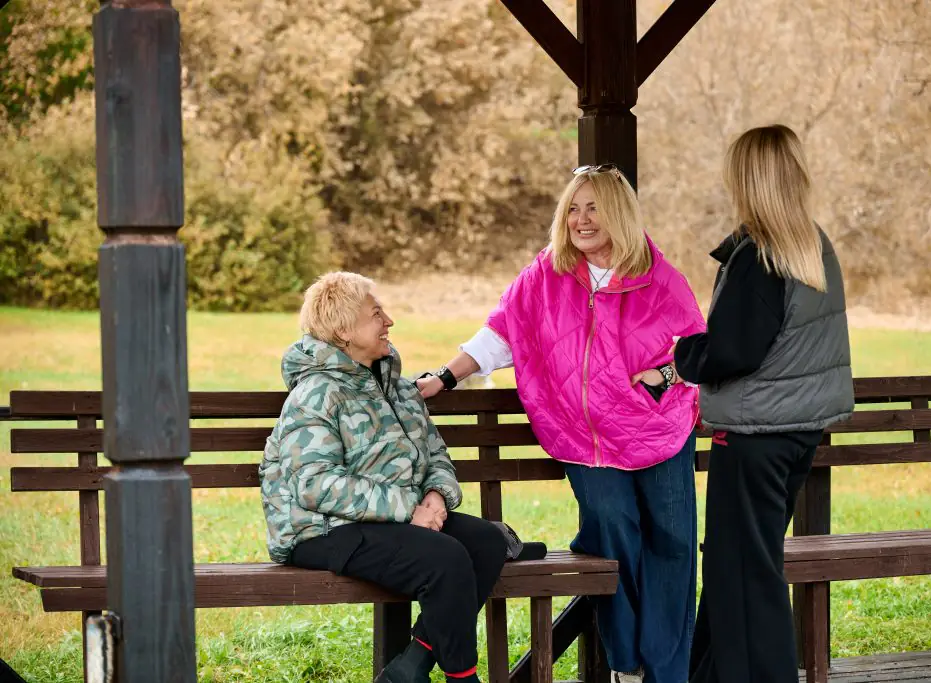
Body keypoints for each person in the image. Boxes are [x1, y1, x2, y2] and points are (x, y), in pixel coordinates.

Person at [417, 165, 706, 683]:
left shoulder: (660, 277)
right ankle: (627, 665)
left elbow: (698, 351)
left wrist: (663, 375)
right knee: (613, 533)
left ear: (619, 213)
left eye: (593, 207)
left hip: (658, 430)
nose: (581, 219)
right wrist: (446, 376)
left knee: (672, 545)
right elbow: (501, 333)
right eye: (573, 209)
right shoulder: (546, 273)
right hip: (583, 439)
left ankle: (668, 673)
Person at [670, 125, 855, 683]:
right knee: (740, 567)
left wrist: (682, 354)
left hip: (754, 437)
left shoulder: (763, 255)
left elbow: (733, 351)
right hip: (796, 433)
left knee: (746, 576)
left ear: (748, 180)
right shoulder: (812, 244)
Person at [259, 271, 507, 683]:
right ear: (343, 331)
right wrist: (409, 509)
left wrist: (435, 497)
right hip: (323, 530)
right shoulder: (317, 392)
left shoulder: (400, 389)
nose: (389, 321)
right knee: (444, 559)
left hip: (389, 520)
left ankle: (411, 665)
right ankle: (463, 679)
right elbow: (314, 485)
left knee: (486, 541)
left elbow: (435, 454)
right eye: (376, 314)